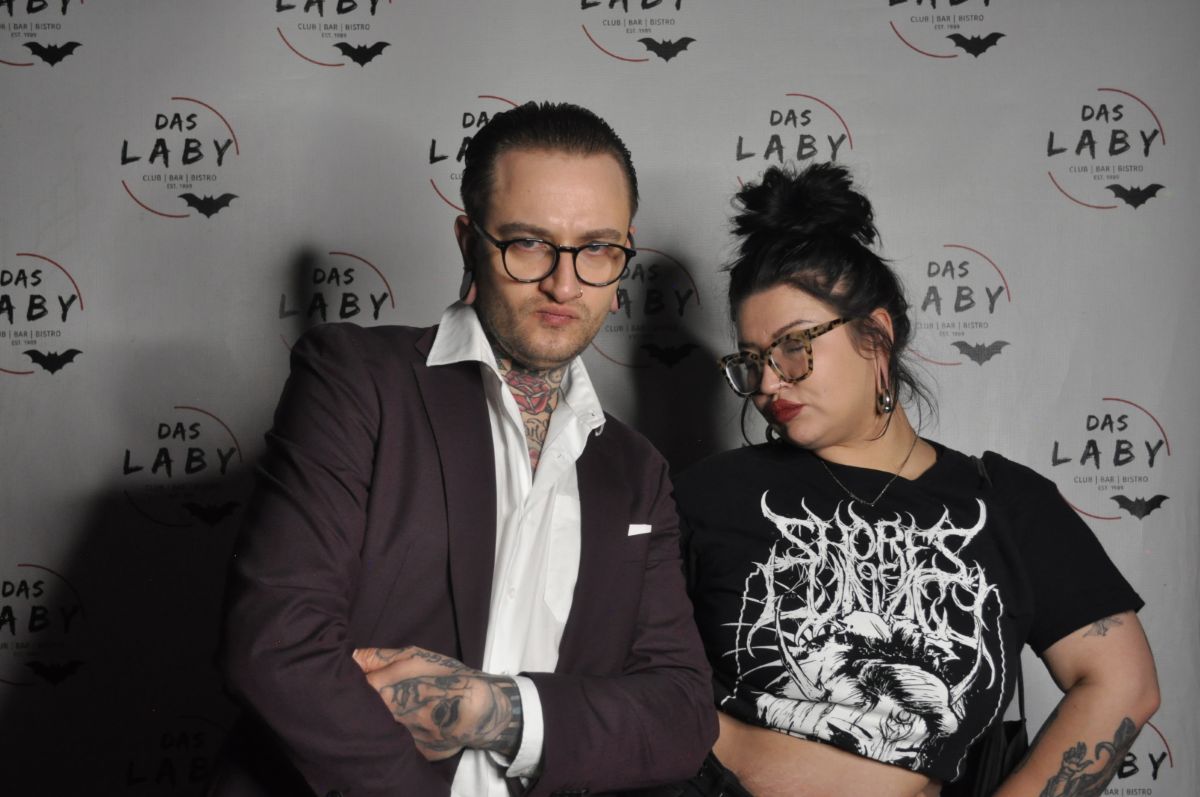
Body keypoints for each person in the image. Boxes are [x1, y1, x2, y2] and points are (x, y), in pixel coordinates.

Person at [211, 101, 717, 797]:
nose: (565, 282)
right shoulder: (358, 381)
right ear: (468, 241)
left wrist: (496, 711)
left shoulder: (636, 472)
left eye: (597, 247)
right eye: (530, 243)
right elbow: (276, 647)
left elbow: (682, 715)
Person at [673, 162, 1159, 797]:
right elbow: (627, 676)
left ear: (876, 336)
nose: (768, 382)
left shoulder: (1003, 502)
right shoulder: (708, 495)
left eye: (794, 346)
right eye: (752, 360)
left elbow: (1123, 682)